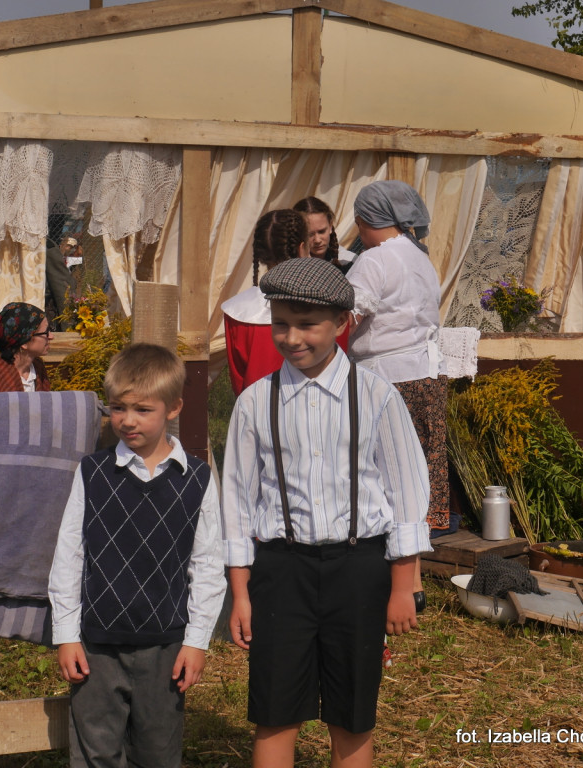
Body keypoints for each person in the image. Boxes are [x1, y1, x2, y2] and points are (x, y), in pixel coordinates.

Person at [221, 257, 431, 768]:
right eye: (280, 324)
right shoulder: (254, 403)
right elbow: (237, 504)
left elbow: (406, 494)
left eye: (307, 324)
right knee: (275, 710)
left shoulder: (378, 397)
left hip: (358, 569)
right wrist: (240, 592)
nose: (292, 338)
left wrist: (404, 585)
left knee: (352, 713)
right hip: (280, 570)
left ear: (342, 323)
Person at [48, 342, 226, 768]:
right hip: (97, 648)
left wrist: (197, 642)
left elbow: (207, 565)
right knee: (97, 752)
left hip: (165, 646)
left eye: (142, 409)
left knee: (158, 753)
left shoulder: (197, 479)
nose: (127, 420)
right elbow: (69, 555)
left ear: (174, 408)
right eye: (118, 408)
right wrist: (67, 635)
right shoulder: (92, 473)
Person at [346, 180, 449, 611]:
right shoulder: (420, 258)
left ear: (366, 221)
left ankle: (395, 584)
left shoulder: (373, 262)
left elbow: (344, 317)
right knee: (417, 472)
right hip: (426, 376)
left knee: (386, 473)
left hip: (387, 379)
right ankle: (416, 582)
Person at [221, 209, 308, 396]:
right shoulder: (325, 305)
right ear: (302, 248)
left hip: (257, 409)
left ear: (259, 255)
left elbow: (238, 379)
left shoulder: (238, 310)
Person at [293, 196, 358, 273]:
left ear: (330, 226)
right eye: (309, 234)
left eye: (321, 231)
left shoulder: (348, 261)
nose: (317, 240)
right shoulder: (288, 263)